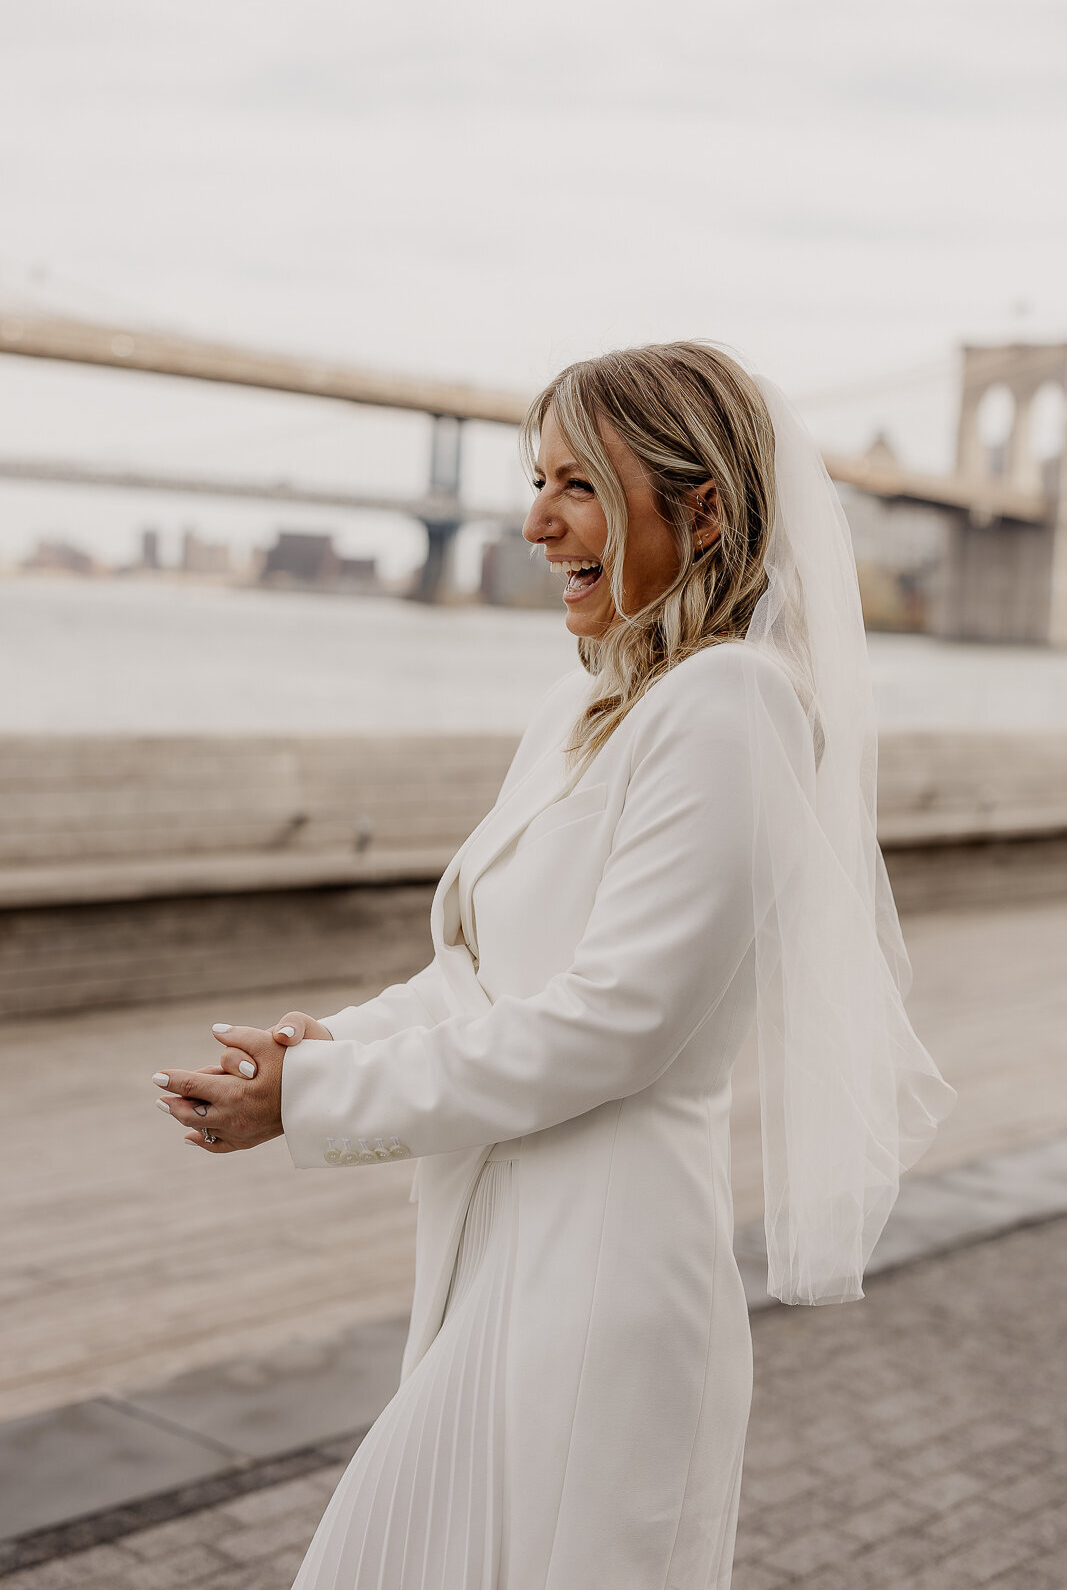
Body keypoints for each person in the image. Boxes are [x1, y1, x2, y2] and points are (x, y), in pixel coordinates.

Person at [151, 342, 956, 1589]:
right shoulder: (583, 710)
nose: (534, 522)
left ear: (701, 513)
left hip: (603, 1281)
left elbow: (611, 1024)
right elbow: (483, 973)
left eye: (577, 484)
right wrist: (322, 1048)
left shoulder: (733, 704)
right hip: (496, 1257)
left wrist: (309, 1107)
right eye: (538, 481)